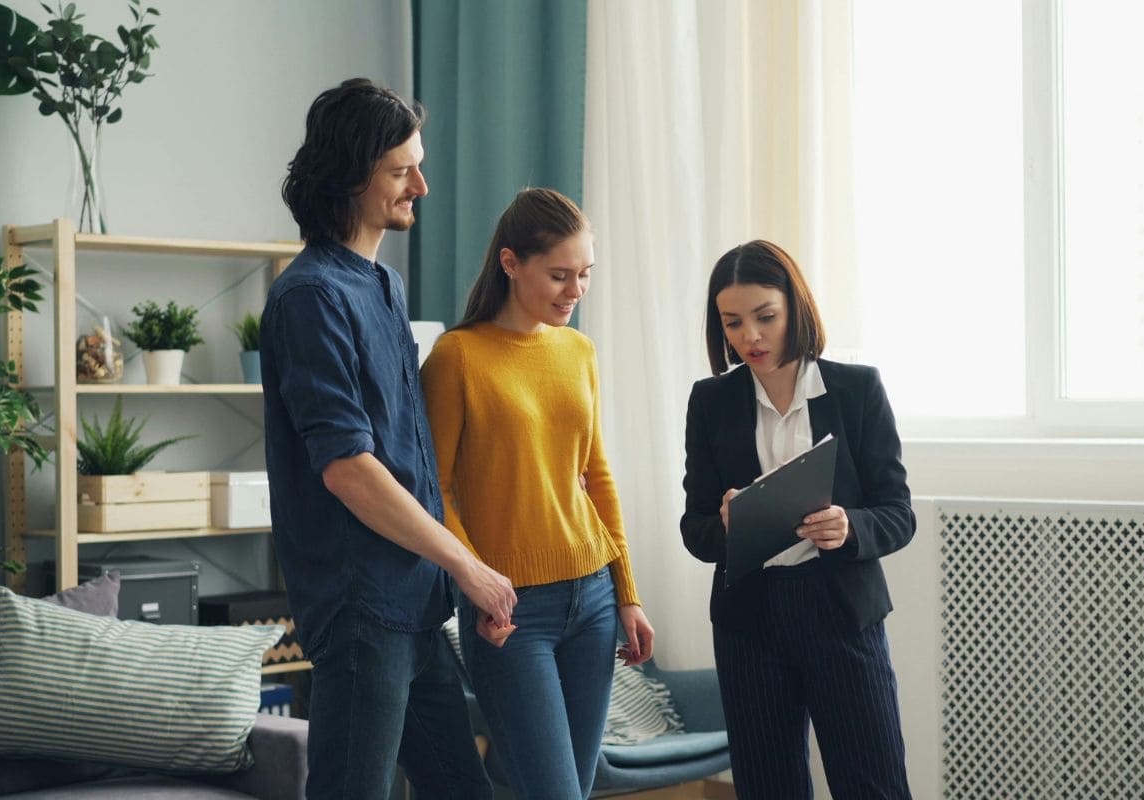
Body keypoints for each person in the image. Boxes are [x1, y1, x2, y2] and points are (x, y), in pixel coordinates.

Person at [262, 78, 515, 800]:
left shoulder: (384, 285)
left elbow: (411, 458)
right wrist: (467, 566)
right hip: (361, 609)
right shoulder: (311, 295)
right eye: (403, 170)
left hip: (412, 604)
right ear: (352, 175)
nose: (421, 187)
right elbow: (348, 469)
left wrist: (454, 576)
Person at [420, 187, 655, 799]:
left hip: (593, 598)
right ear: (510, 262)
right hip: (512, 612)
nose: (575, 290)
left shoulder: (579, 351)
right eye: (559, 275)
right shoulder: (457, 357)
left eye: (585, 274)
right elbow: (434, 490)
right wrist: (476, 581)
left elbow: (597, 475)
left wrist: (627, 593)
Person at [680, 240, 915, 799]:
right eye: (732, 323)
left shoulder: (856, 390)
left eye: (765, 317)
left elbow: (898, 513)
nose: (750, 337)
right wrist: (728, 525)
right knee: (768, 788)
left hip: (839, 609)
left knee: (874, 785)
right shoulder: (710, 401)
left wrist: (849, 526)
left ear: (796, 308)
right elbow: (695, 530)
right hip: (750, 621)